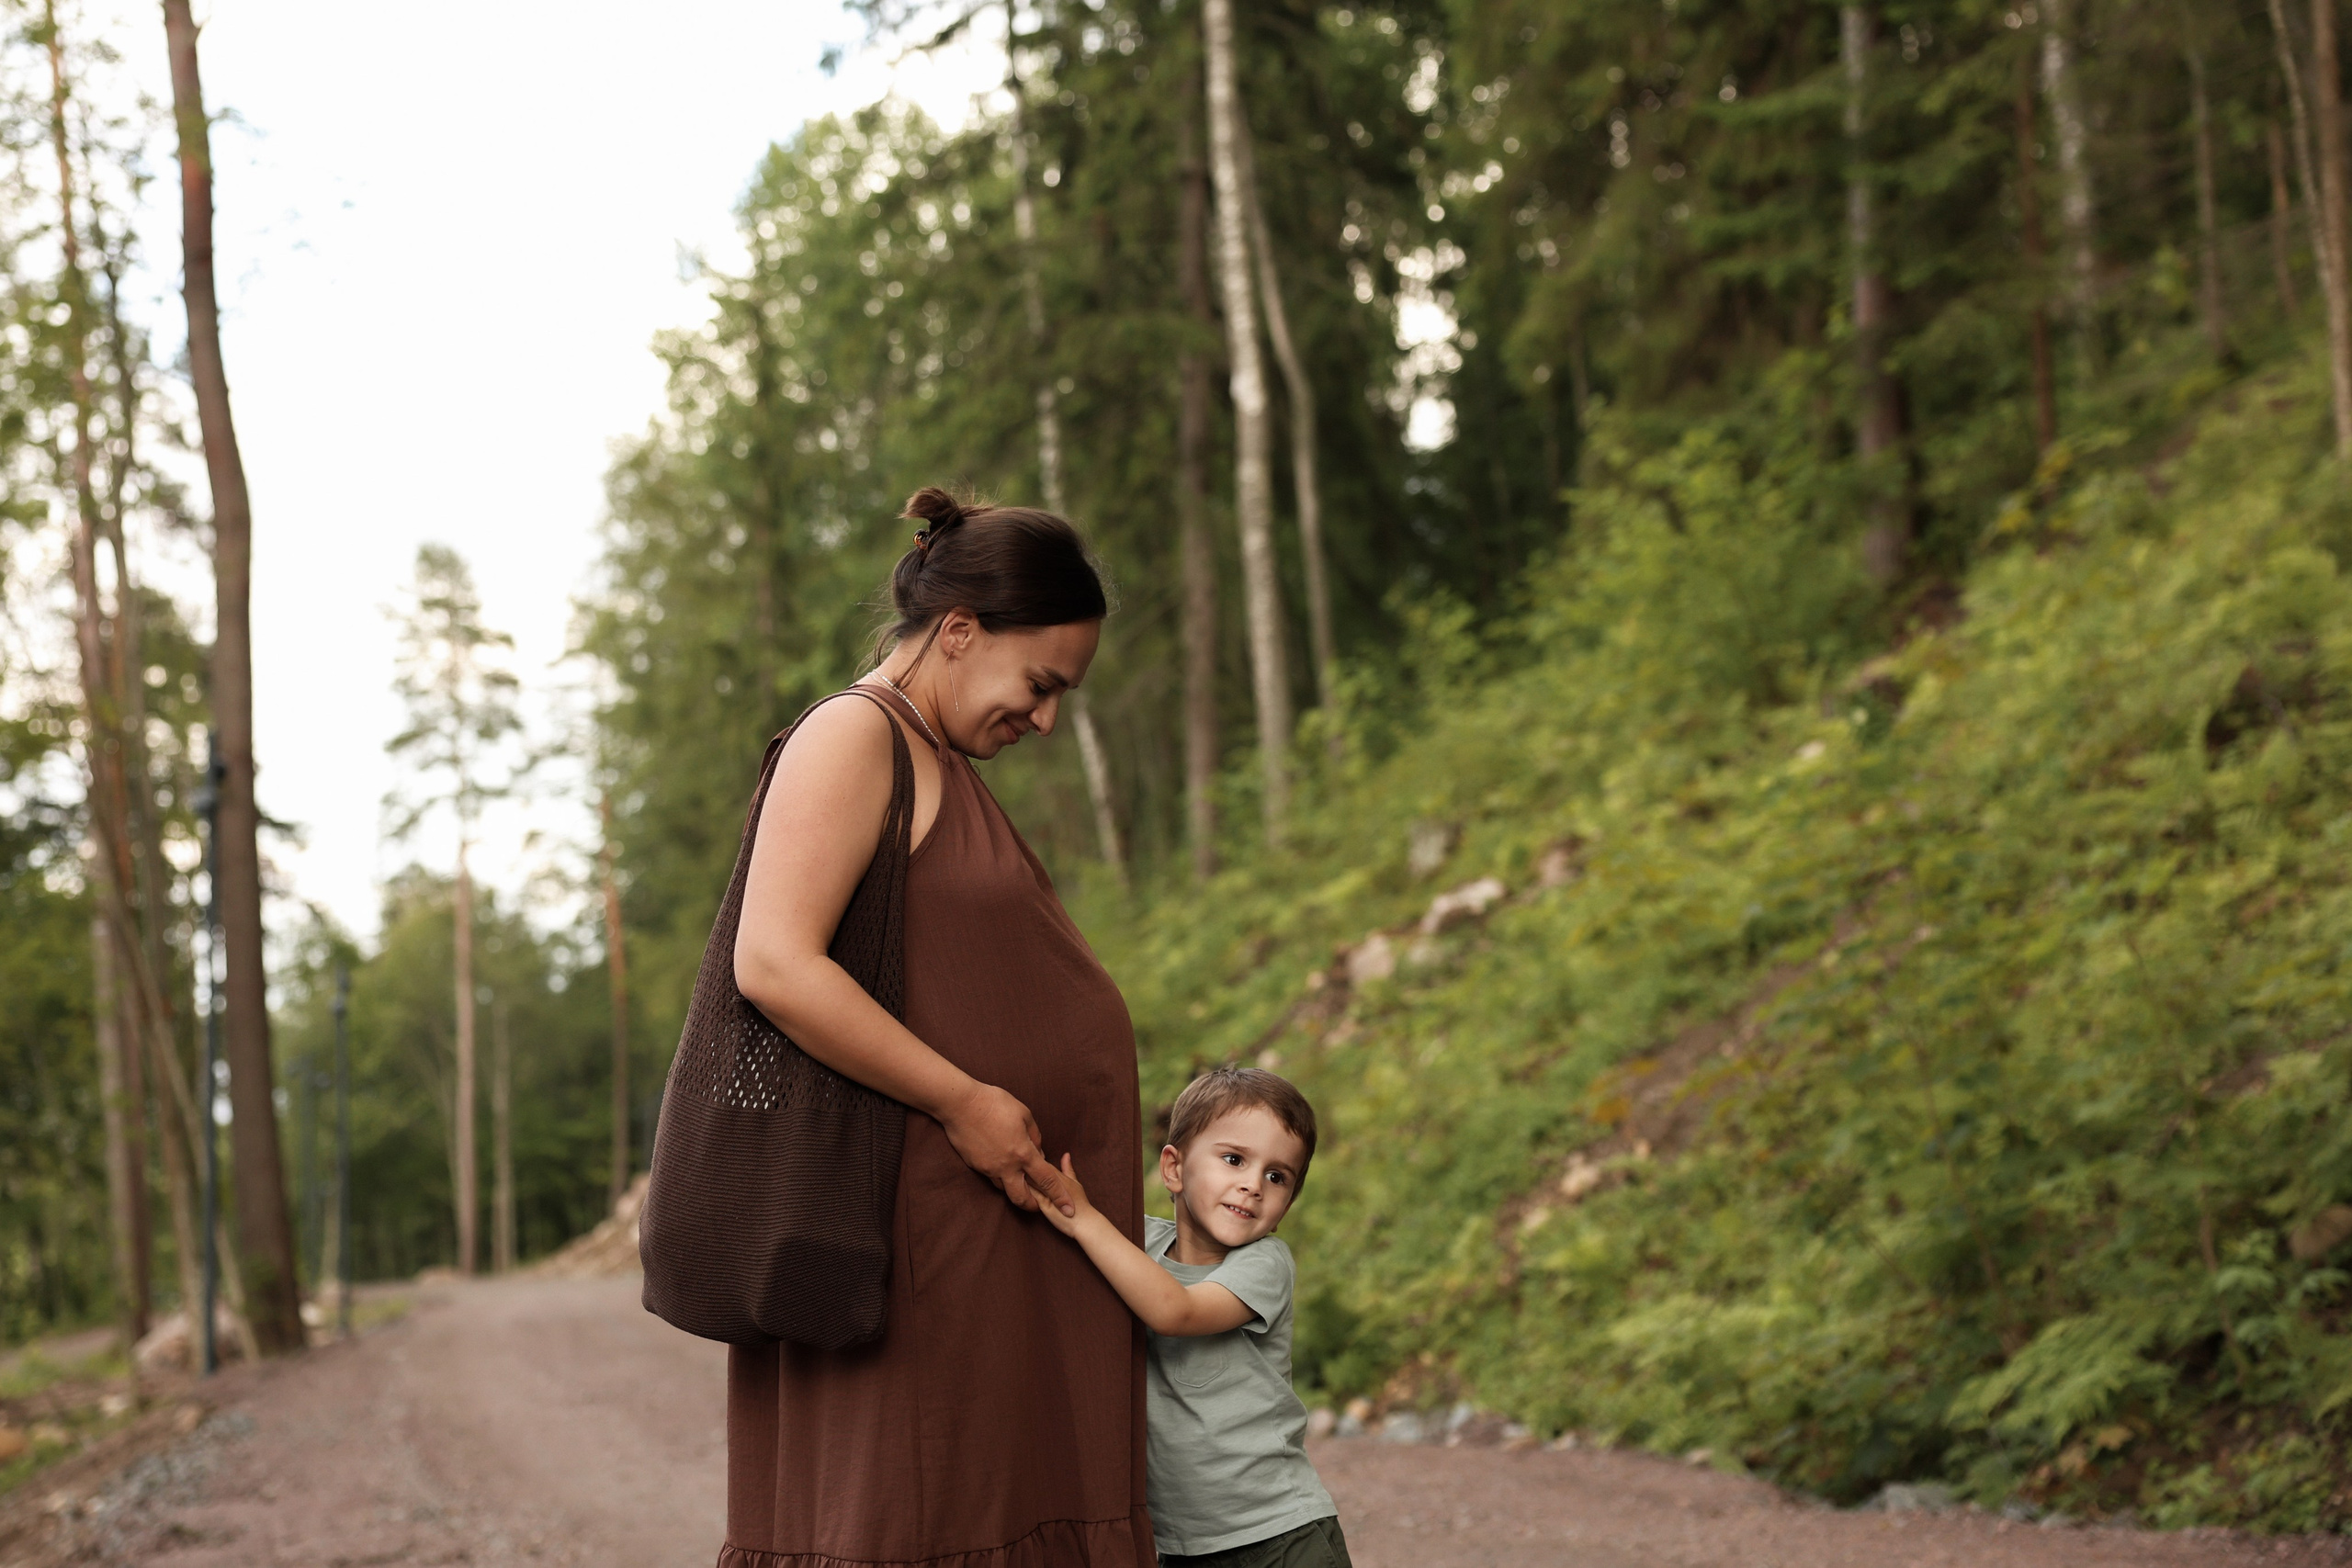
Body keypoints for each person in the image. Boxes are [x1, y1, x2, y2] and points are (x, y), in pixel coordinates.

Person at [724, 487, 1152, 1568]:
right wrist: (967, 1101)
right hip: (917, 1237)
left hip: (979, 1236)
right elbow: (774, 962)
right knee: (913, 1516)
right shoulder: (853, 734)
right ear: (959, 632)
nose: (1047, 719)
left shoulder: (932, 752)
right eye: (1041, 685)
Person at [1040, 1067, 1351, 1568]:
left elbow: (1174, 1310)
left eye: (1277, 1177)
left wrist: (1087, 1220)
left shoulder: (1264, 1264)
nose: (1252, 1185)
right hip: (1181, 1547)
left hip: (1277, 1533)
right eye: (1234, 1159)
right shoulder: (1141, 1247)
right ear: (1174, 1169)